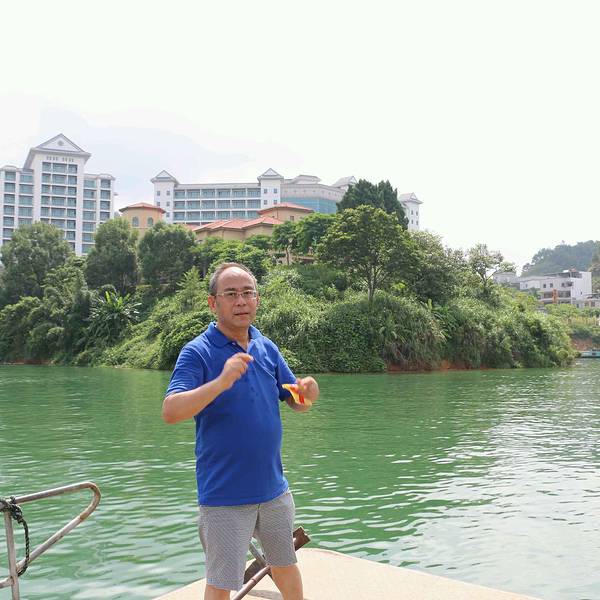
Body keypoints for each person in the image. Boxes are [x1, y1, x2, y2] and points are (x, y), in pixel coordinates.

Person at [162, 262, 319, 600]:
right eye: (231, 294)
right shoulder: (198, 351)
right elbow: (171, 411)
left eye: (248, 293)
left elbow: (296, 401)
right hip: (224, 495)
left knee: (285, 564)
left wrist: (308, 393)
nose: (241, 301)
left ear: (257, 299)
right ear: (212, 302)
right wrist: (220, 382)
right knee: (221, 582)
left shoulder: (266, 347)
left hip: (274, 489)